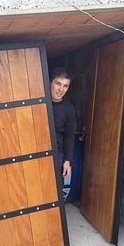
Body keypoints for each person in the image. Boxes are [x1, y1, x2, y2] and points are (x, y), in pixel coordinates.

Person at [50, 67, 76, 199]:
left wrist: (67, 161)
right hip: (34, 151)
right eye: (58, 83)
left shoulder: (69, 109)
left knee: (54, 191)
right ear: (50, 82)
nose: (61, 89)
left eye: (65, 86)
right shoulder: (37, 102)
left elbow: (69, 136)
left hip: (57, 153)